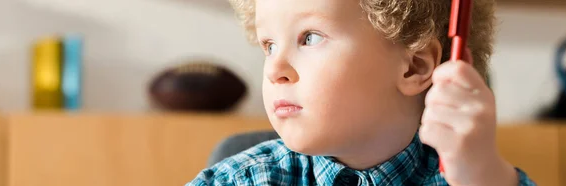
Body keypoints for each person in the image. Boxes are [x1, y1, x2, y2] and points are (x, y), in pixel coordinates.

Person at [188, 0, 536, 185]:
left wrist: (487, 176)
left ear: (414, 66)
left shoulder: (473, 179)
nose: (274, 69)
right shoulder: (246, 180)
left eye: (309, 38)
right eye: (269, 45)